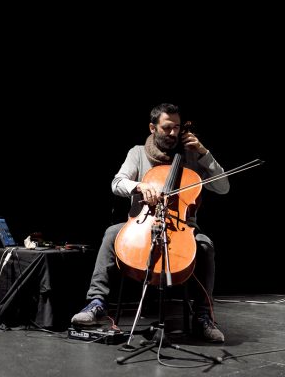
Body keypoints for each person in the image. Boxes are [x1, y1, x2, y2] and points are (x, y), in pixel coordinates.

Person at [71, 103, 229, 343]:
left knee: (205, 245)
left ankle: (203, 316)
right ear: (152, 128)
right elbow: (117, 183)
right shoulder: (137, 153)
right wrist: (139, 186)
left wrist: (204, 153)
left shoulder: (192, 157)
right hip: (142, 222)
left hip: (182, 226)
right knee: (111, 234)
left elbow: (223, 187)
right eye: (167, 128)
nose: (174, 133)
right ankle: (96, 302)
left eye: (177, 127)